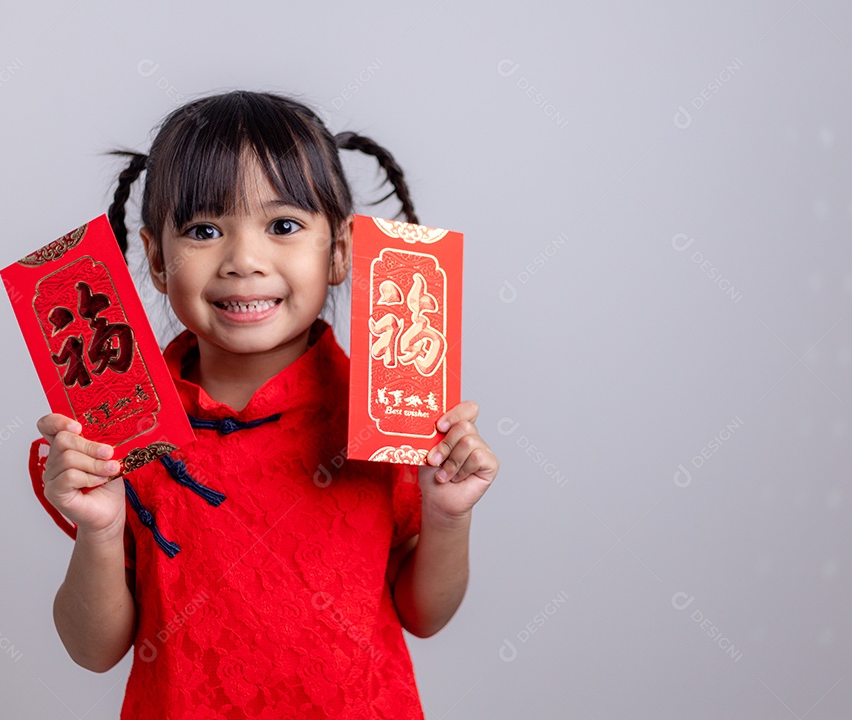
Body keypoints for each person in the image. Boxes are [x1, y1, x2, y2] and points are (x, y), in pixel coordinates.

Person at [26, 90, 499, 718]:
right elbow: (94, 650)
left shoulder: (392, 415)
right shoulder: (121, 433)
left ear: (338, 252)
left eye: (283, 226)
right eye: (204, 230)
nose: (244, 261)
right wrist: (102, 529)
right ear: (157, 259)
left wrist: (447, 516)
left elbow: (424, 615)